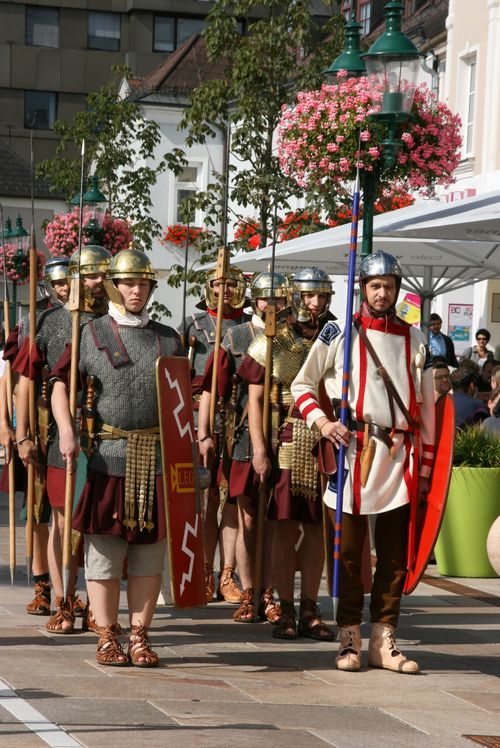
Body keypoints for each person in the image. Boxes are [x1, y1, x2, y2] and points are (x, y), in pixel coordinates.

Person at [292, 251, 435, 674]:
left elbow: (425, 411)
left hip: (398, 456)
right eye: (375, 286)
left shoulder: (414, 338)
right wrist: (321, 422)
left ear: (397, 289)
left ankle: (384, 638)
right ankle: (349, 635)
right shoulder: (339, 332)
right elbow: (302, 383)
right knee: (350, 554)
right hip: (353, 454)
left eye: (389, 286)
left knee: (394, 553)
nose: (382, 292)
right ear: (363, 289)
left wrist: (426, 467)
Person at [51, 248, 184, 667]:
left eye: (142, 283)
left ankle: (140, 635)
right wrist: (68, 431)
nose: (135, 290)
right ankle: (108, 635)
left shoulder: (169, 338)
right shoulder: (90, 334)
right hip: (107, 455)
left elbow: (181, 400)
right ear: (113, 284)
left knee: (148, 552)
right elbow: (59, 384)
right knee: (104, 550)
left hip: (155, 456)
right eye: (128, 282)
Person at [14, 246, 112, 633]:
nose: (97, 282)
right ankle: (61, 597)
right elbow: (26, 382)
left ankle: (90, 597)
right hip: (62, 435)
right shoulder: (51, 322)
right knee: (61, 521)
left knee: (96, 525)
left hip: (106, 437)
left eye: (102, 274)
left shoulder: (117, 320)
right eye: (89, 275)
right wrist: (22, 435)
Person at [239, 267, 336, 642]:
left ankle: (310, 606)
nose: (316, 303)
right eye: (309, 296)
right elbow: (256, 399)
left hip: (327, 441)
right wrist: (259, 450)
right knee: (283, 527)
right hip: (287, 439)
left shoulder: (338, 337)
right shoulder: (272, 338)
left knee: (317, 529)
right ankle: (284, 607)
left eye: (322, 296)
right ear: (296, 297)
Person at [198, 271, 288, 624]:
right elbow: (211, 388)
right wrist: (204, 431)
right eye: (266, 298)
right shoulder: (235, 337)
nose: (272, 305)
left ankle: (272, 593)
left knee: (278, 522)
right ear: (255, 300)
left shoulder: (295, 338)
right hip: (243, 440)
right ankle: (252, 592)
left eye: (278, 298)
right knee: (249, 519)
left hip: (289, 438)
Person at [0, 256, 71, 616]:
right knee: (39, 506)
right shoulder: (36, 320)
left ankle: (70, 587)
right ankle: (43, 582)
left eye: (68, 282)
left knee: (69, 508)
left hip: (77, 421)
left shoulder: (87, 316)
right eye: (58, 284)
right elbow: (21, 380)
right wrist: (20, 432)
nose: (65, 289)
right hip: (43, 422)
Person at [181, 267, 248, 605]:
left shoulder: (249, 327)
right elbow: (178, 376)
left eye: (231, 283)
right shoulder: (193, 324)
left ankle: (227, 573)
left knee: (233, 504)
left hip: (238, 425)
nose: (225, 289)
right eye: (219, 284)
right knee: (205, 504)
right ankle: (204, 571)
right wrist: (199, 428)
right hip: (200, 423)